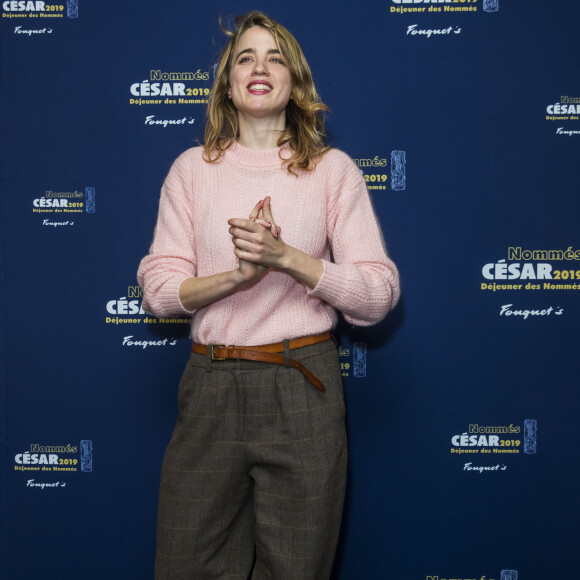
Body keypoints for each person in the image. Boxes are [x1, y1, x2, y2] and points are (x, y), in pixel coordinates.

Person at [137, 10, 400, 579]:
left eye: (275, 57)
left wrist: (287, 259)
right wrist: (240, 276)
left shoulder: (332, 172)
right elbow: (158, 292)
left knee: (297, 567)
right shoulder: (191, 170)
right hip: (209, 389)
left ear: (294, 81)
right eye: (246, 58)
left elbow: (378, 297)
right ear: (228, 84)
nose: (260, 67)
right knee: (186, 564)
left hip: (302, 385)